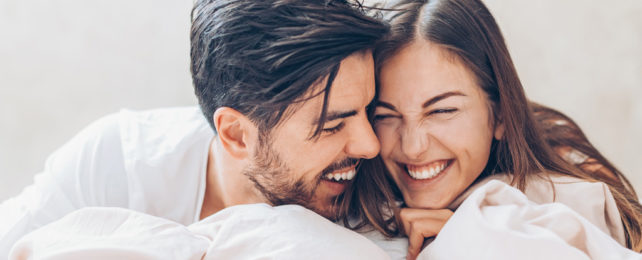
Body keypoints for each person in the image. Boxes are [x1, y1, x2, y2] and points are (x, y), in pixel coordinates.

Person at [0, 0, 389, 257]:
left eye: (368, 109)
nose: (370, 144)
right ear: (236, 134)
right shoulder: (118, 161)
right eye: (331, 124)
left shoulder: (378, 205)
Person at [340, 0, 642, 258]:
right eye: (385, 115)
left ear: (499, 114)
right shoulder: (350, 183)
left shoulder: (573, 195)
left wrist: (474, 236)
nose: (413, 147)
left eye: (442, 111)